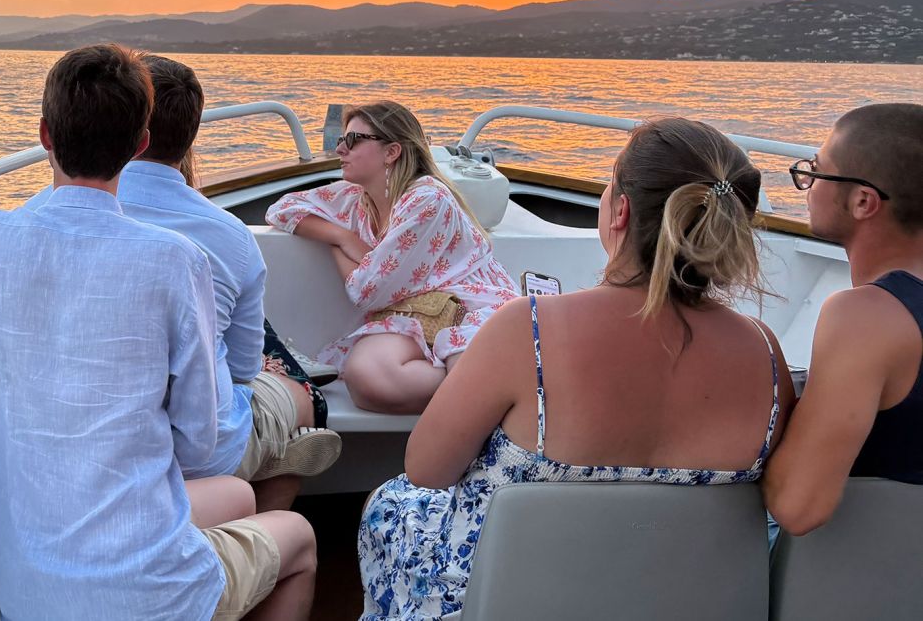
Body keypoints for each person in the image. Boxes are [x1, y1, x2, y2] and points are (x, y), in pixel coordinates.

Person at [0, 45, 316, 621]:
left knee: (232, 502)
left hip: (24, 591)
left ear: (45, 134)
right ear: (139, 145)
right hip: (147, 594)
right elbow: (201, 444)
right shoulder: (176, 260)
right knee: (297, 538)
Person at [357, 117, 796, 619]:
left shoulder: (527, 330)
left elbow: (427, 470)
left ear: (620, 211)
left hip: (506, 602)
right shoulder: (766, 354)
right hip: (670, 605)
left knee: (391, 503)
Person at [0, 55, 341, 512]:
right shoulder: (227, 240)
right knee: (296, 394)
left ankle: (251, 486)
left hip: (91, 443)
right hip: (193, 447)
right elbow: (239, 370)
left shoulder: (44, 212)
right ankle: (270, 479)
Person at [264, 100, 519, 414]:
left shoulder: (427, 198)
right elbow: (281, 209)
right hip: (412, 312)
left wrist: (347, 249)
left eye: (353, 140)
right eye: (341, 139)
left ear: (391, 152)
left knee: (465, 361)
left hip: (467, 304)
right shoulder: (356, 199)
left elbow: (366, 291)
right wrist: (342, 238)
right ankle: (484, 386)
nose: (340, 149)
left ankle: (486, 386)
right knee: (367, 377)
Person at [764, 103, 923, 535]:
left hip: (875, 566)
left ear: (863, 201)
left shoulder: (868, 316)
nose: (807, 184)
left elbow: (798, 508)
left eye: (817, 171)